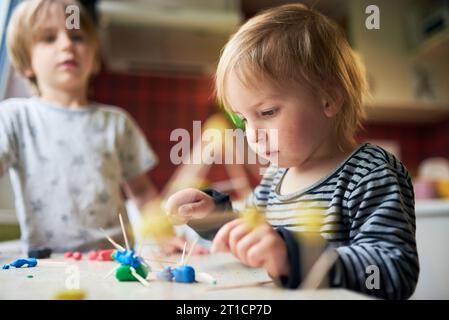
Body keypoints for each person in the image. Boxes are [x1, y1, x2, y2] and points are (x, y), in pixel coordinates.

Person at [165, 3, 419, 299]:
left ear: (329, 99)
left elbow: (393, 269)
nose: (252, 134)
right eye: (243, 119)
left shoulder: (370, 173)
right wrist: (210, 216)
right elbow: (249, 234)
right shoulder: (275, 178)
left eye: (268, 111)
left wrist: (294, 256)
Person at [0, 0, 161, 253]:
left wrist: (167, 235)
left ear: (94, 56)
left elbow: (142, 193)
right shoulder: (14, 117)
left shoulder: (117, 122)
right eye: (49, 38)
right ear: (26, 61)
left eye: (77, 36)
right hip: (46, 265)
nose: (66, 44)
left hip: (115, 261)